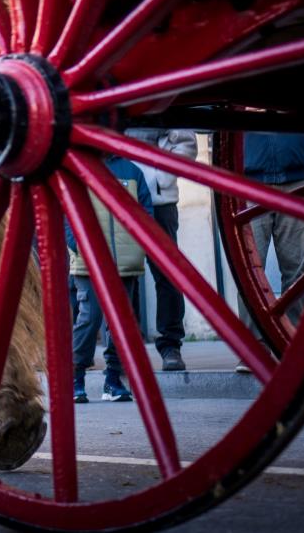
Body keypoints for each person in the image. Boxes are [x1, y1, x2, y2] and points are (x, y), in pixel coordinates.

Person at [69, 155, 153, 404]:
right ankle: (76, 378)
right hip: (89, 262)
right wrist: (77, 245)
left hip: (124, 263)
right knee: (89, 319)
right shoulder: (79, 166)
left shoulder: (132, 171)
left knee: (119, 323)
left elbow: (146, 211)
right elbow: (66, 212)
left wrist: (138, 246)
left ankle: (113, 380)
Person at [236, 133, 304, 372]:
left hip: (294, 181)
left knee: (297, 271)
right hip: (251, 183)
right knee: (248, 271)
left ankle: (296, 345)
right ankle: (255, 348)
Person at [125, 128, 197, 371]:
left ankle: (170, 346)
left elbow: (186, 144)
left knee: (166, 275)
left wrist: (159, 178)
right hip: (123, 194)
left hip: (159, 202)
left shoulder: (166, 104)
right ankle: (125, 347)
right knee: (124, 274)